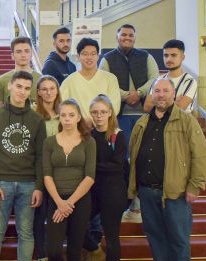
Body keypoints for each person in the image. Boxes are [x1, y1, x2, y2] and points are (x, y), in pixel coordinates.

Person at [129, 78, 206, 261]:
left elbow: (201, 155)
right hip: (147, 191)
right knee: (155, 236)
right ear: (152, 95)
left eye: (166, 91)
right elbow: (134, 155)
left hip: (176, 192)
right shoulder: (142, 123)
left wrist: (195, 185)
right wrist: (134, 186)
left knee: (179, 238)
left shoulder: (186, 121)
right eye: (157, 91)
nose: (161, 94)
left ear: (173, 95)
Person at [0, 71, 46, 261]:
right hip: (2, 183)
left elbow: (41, 156)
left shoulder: (37, 119)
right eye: (18, 86)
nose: (22, 91)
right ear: (9, 87)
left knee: (26, 233)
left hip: (29, 183)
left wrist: (39, 186)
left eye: (27, 87)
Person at [99, 24, 159, 224]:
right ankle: (123, 205)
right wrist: (126, 96)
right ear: (117, 37)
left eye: (130, 35)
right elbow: (104, 83)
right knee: (123, 161)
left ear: (135, 37)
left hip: (144, 116)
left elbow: (154, 79)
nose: (127, 37)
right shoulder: (107, 59)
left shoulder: (146, 57)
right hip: (119, 117)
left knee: (142, 159)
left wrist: (140, 94)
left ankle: (139, 207)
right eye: (123, 34)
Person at [43, 99, 96, 261]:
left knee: (74, 253)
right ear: (59, 118)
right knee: (53, 250)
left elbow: (90, 176)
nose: (66, 119)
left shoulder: (88, 142)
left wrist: (69, 203)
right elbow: (46, 174)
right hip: (56, 199)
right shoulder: (49, 142)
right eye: (63, 115)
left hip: (80, 201)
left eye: (71, 115)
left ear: (78, 117)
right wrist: (59, 202)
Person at [81, 95, 128, 261]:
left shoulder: (118, 135)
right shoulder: (88, 136)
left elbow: (117, 165)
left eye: (103, 112)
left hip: (113, 191)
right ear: (90, 114)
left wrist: (91, 168)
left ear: (110, 113)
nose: (99, 116)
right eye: (95, 112)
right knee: (73, 222)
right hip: (93, 190)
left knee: (111, 236)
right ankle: (95, 252)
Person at [32, 75, 62, 261]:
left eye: (52, 88)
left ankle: (56, 256)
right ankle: (42, 256)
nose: (49, 92)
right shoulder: (33, 114)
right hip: (38, 171)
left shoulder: (65, 112)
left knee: (56, 217)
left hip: (61, 173)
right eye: (44, 89)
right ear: (39, 92)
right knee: (39, 216)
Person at [60, 38, 121, 124]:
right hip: (78, 128)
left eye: (93, 54)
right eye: (85, 54)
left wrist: (96, 120)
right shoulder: (69, 81)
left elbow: (115, 107)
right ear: (78, 56)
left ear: (98, 56)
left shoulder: (110, 79)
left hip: (104, 128)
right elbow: (62, 107)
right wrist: (82, 121)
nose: (89, 57)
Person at [144, 39, 198, 113]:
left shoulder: (189, 81)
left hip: (180, 123)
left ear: (183, 57)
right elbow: (147, 107)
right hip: (158, 123)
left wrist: (159, 103)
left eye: (173, 55)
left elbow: (179, 109)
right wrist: (174, 102)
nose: (169, 59)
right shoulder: (158, 80)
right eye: (166, 55)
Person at [0, 36, 42, 110]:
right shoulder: (2, 80)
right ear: (12, 55)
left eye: (27, 51)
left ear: (31, 54)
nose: (23, 55)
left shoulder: (41, 80)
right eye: (18, 52)